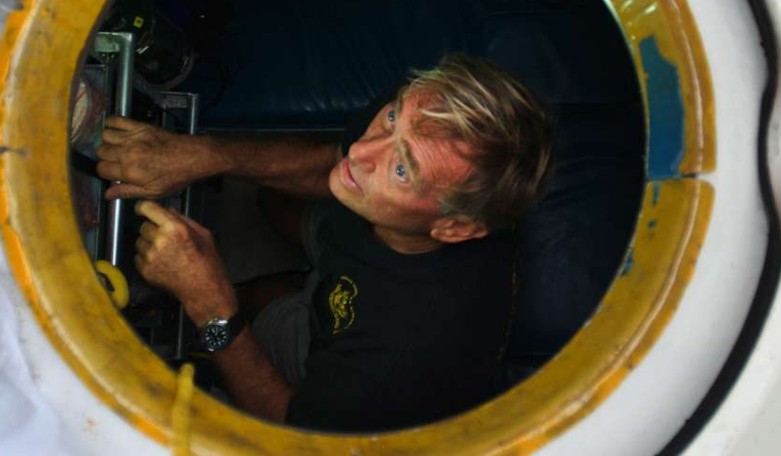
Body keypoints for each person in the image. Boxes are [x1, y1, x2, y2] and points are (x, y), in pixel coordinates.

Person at [96, 54, 553, 431]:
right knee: (272, 205)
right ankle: (294, 288)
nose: (361, 152)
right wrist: (207, 156)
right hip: (359, 241)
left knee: (256, 306)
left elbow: (294, 426)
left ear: (453, 228)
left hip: (349, 358)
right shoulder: (427, 116)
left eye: (401, 169)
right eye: (392, 118)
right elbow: (333, 162)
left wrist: (209, 307)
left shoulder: (395, 368)